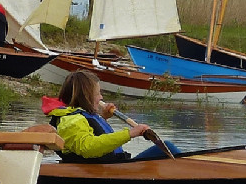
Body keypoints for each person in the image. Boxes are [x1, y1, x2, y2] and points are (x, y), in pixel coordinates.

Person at [42, 70, 175, 163]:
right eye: (98, 93)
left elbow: (91, 132)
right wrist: (130, 133)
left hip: (114, 165)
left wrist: (102, 118)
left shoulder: (79, 116)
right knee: (169, 147)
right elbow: (87, 147)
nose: (101, 97)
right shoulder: (70, 119)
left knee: (168, 148)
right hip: (105, 169)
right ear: (86, 96)